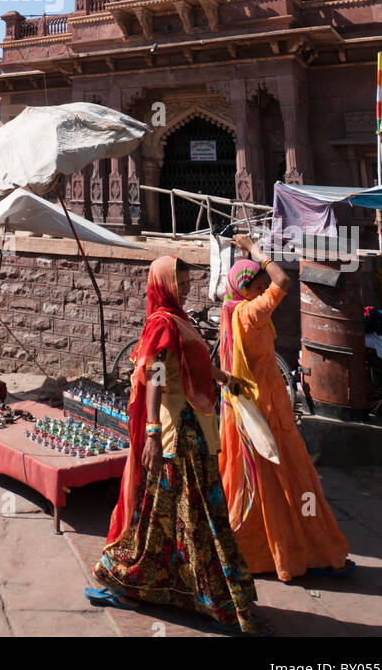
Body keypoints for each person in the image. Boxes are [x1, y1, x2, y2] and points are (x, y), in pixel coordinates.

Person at [84, 256, 267, 634]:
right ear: (163, 285)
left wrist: (223, 377)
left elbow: (192, 364)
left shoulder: (178, 319)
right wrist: (151, 432)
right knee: (190, 516)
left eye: (186, 283)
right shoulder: (162, 325)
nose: (184, 290)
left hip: (195, 431)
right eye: (178, 284)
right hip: (174, 436)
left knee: (169, 516)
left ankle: (136, 581)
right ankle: (216, 601)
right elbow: (155, 377)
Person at [218, 236, 351, 582]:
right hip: (266, 411)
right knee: (292, 481)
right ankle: (305, 549)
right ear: (245, 290)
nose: (265, 291)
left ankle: (255, 551)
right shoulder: (250, 314)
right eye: (258, 286)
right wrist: (256, 252)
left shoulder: (232, 311)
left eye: (262, 287)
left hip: (246, 411)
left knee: (257, 486)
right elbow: (284, 282)